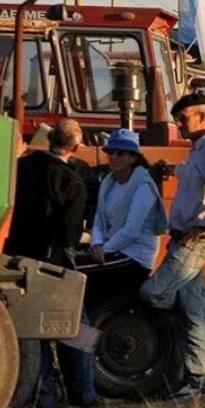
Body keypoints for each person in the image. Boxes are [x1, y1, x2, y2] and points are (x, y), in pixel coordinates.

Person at [140, 92, 205, 399]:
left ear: (202, 117)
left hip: (194, 241)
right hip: (187, 237)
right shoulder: (199, 149)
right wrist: (172, 171)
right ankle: (199, 381)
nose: (179, 125)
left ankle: (175, 353)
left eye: (183, 119)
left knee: (154, 293)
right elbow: (196, 177)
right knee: (192, 313)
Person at [5, 118, 98, 408]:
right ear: (76, 146)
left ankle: (43, 396)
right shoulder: (72, 182)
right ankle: (84, 394)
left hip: (18, 257)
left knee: (34, 329)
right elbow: (69, 235)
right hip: (54, 262)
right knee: (78, 330)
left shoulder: (22, 169)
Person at [87, 129, 168, 307]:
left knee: (83, 275)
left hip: (135, 257)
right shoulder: (109, 182)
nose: (113, 157)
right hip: (112, 250)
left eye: (120, 153)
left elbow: (131, 230)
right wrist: (96, 244)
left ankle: (90, 329)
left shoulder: (143, 187)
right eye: (110, 152)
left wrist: (104, 249)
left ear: (133, 158)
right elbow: (99, 220)